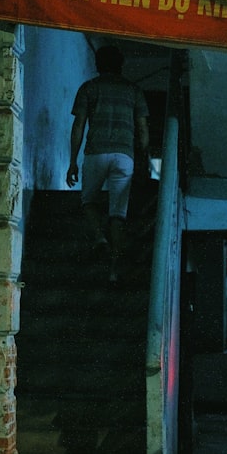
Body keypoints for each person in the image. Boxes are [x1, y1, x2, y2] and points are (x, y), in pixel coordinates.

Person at [66, 44, 150, 282]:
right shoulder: (134, 91)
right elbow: (143, 131)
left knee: (88, 201)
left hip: (96, 153)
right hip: (125, 156)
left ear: (98, 65)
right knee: (118, 214)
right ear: (121, 65)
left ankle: (100, 239)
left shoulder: (88, 88)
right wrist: (142, 161)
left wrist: (73, 161)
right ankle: (114, 268)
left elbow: (78, 126)